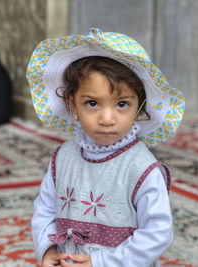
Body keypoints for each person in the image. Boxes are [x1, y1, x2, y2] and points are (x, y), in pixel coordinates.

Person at [26, 28, 185, 267]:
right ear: (73, 105)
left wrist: (101, 262)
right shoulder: (63, 157)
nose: (107, 118)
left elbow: (158, 233)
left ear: (139, 107)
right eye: (92, 103)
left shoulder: (143, 168)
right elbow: (45, 208)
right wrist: (47, 249)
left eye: (122, 104)